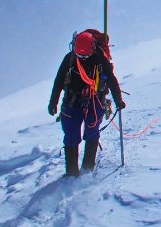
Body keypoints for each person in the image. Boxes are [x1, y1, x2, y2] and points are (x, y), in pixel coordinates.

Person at [48, 30, 124, 177]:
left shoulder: (100, 59)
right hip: (73, 101)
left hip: (94, 100)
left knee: (92, 131)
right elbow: (58, 81)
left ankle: (87, 169)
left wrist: (118, 99)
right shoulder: (70, 58)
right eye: (80, 55)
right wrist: (53, 102)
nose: (82, 58)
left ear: (92, 48)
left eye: (85, 55)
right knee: (71, 135)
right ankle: (72, 174)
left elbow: (111, 80)